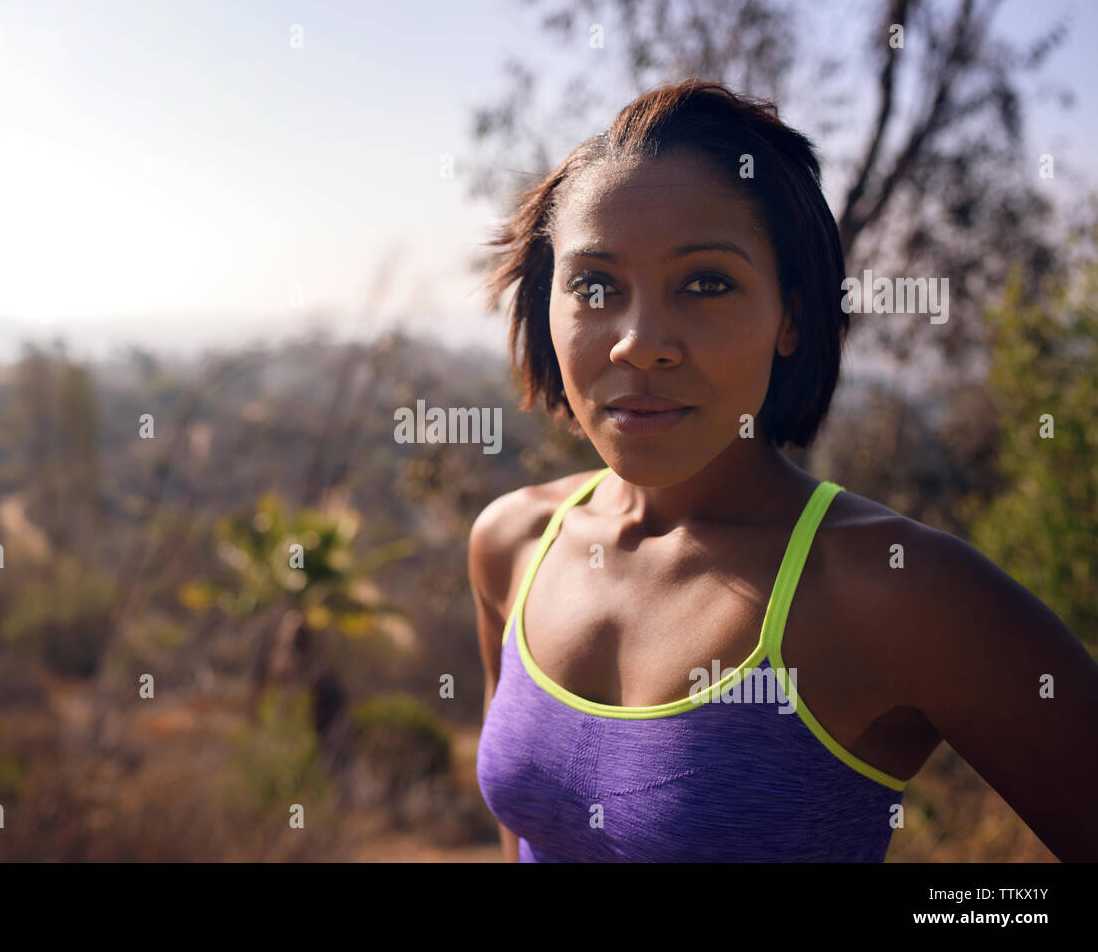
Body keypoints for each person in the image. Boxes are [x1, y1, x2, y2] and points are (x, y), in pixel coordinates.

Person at [469, 78, 1098, 862]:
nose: (640, 341)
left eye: (706, 283)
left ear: (792, 317)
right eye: (595, 285)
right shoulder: (512, 541)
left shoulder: (900, 592)